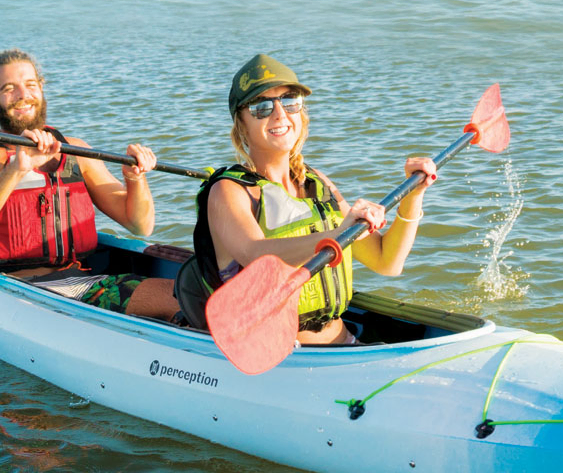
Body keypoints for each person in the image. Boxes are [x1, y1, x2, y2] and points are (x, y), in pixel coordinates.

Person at [176, 53, 437, 344]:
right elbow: (254, 254)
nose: (279, 114)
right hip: (282, 354)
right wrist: (337, 235)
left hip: (345, 342)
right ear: (241, 123)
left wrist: (413, 196)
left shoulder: (317, 183)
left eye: (290, 101)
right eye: (262, 106)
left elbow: (388, 262)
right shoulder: (228, 191)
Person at [0, 49, 180, 320]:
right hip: (15, 287)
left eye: (30, 85)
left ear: (41, 88)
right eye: (9, 88)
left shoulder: (75, 151)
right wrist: (16, 170)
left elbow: (140, 224)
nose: (22, 95)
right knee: (176, 298)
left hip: (81, 280)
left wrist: (135, 178)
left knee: (187, 294)